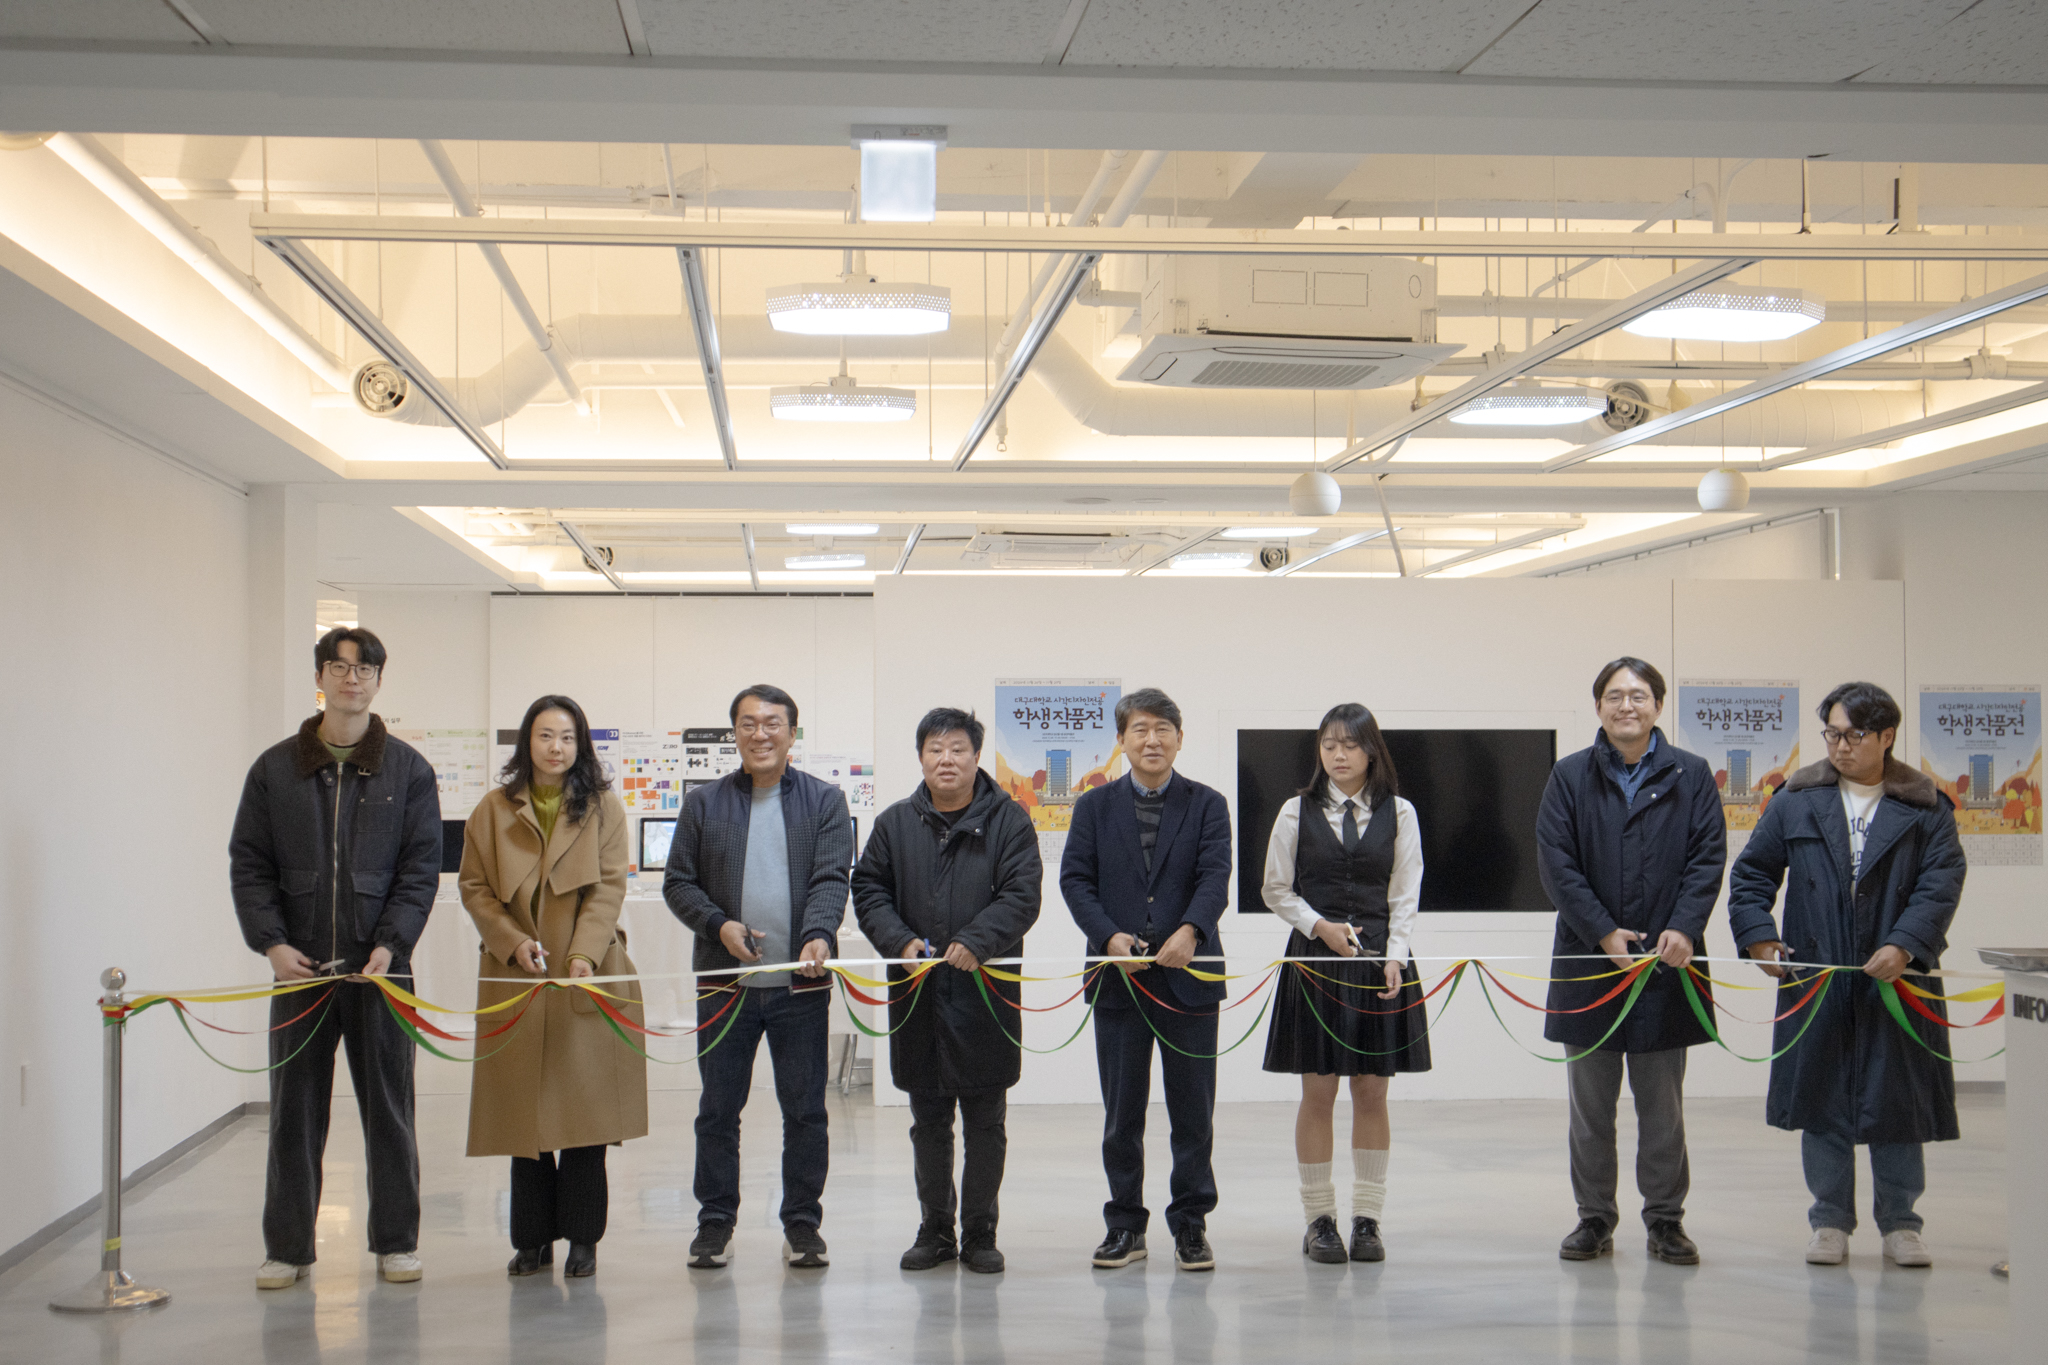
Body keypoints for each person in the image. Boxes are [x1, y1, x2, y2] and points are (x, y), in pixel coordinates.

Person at [229, 627, 441, 1289]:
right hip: (298, 972)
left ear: (379, 680)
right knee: (293, 1113)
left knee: (390, 1111)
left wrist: (391, 944)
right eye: (340, 667)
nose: (352, 679)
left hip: (380, 973)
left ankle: (396, 1243)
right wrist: (271, 942)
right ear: (320, 677)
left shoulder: (409, 771)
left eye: (364, 668)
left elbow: (420, 870)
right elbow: (250, 865)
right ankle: (288, 1249)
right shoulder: (275, 770)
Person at [1727, 681, 1966, 1269]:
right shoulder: (1796, 799)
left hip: (1897, 979)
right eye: (1831, 734)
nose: (1839, 746)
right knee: (1823, 1099)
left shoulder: (1925, 806)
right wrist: (1758, 936)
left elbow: (1940, 884)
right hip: (1818, 974)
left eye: (1854, 735)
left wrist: (1905, 945)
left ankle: (1901, 1224)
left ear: (1886, 736)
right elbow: (1752, 875)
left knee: (1897, 1102)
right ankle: (1829, 1221)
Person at [1536, 656, 1726, 1266]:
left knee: (1662, 1110)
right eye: (1615, 695)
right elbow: (1556, 863)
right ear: (1598, 707)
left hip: (1666, 966)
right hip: (1590, 964)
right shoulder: (1569, 775)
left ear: (1657, 706)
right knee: (1590, 1110)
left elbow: (1707, 858)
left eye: (1639, 695)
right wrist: (1602, 933)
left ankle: (1666, 1221)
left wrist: (1685, 927)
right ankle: (1593, 1218)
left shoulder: (1692, 774)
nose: (1627, 705)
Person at [664, 684, 853, 1270]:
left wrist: (818, 934)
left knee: (806, 1111)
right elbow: (678, 882)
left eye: (772, 723)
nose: (760, 734)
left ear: (792, 733)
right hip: (725, 985)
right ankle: (714, 1223)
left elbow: (831, 878)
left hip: (801, 985)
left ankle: (802, 1225)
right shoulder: (705, 804)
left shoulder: (824, 801)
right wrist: (718, 925)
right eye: (748, 723)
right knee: (718, 1111)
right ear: (735, 734)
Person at [459, 695, 647, 1279]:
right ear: (527, 742)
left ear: (580, 745)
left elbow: (608, 888)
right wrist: (511, 940)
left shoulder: (604, 808)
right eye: (545, 736)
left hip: (584, 974)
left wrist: (584, 953)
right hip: (517, 974)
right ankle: (531, 1241)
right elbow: (474, 888)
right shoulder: (492, 810)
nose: (556, 747)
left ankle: (584, 1240)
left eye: (567, 737)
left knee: (587, 1117)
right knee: (526, 1119)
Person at [852, 707, 1042, 1274]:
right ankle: (935, 1230)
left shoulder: (1009, 821)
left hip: (985, 995)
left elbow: (1023, 894)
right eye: (935, 749)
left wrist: (976, 941)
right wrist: (900, 941)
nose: (946, 759)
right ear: (920, 758)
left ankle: (981, 1232)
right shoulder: (894, 824)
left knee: (986, 1122)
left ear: (976, 756)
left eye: (958, 749)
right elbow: (869, 890)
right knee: (928, 1123)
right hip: (919, 999)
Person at [1061, 687, 1231, 1272]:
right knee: (1121, 1115)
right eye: (1140, 729)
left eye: (1163, 729)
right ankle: (1125, 1226)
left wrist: (1191, 932)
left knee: (1193, 1113)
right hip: (1119, 981)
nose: (1152, 739)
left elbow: (1215, 877)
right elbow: (1075, 881)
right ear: (1121, 740)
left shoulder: (1208, 804)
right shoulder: (1093, 806)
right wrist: (1108, 937)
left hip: (1190, 980)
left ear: (1180, 738)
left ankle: (1191, 1225)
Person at [1260, 703, 1430, 1265]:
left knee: (1373, 1092)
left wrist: (1396, 957)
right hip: (1316, 962)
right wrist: (1318, 927)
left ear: (1371, 751)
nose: (1338, 754)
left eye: (1350, 744)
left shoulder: (1400, 812)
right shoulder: (1295, 811)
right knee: (1318, 1091)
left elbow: (1404, 894)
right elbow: (1275, 889)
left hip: (1380, 965)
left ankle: (1368, 1220)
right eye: (1329, 744)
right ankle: (1319, 1222)